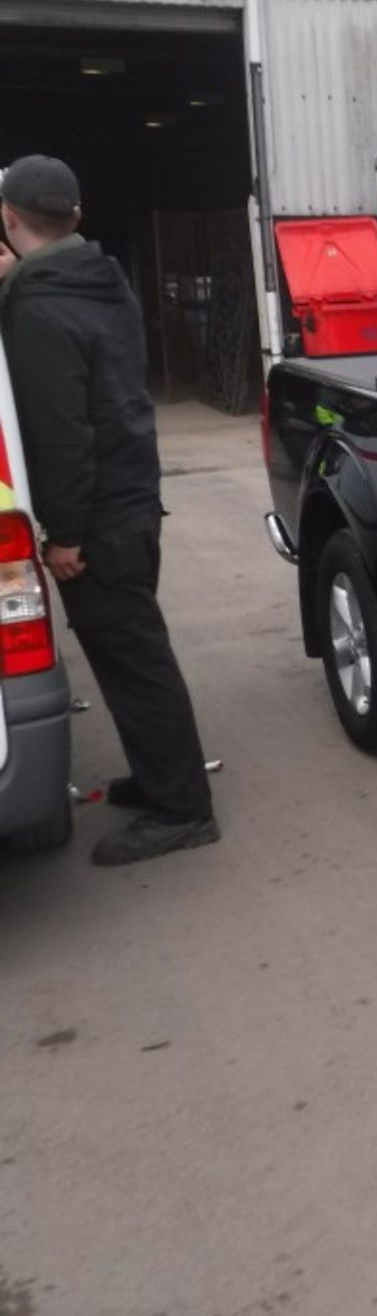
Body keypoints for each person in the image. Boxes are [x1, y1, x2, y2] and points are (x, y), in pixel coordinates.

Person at [0, 155, 218, 865]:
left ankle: (183, 809)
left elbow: (63, 437)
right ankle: (162, 779)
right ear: (78, 217)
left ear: (8, 219)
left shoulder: (38, 307)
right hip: (132, 503)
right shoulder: (101, 279)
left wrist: (62, 535)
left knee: (135, 663)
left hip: (96, 521)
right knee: (133, 657)